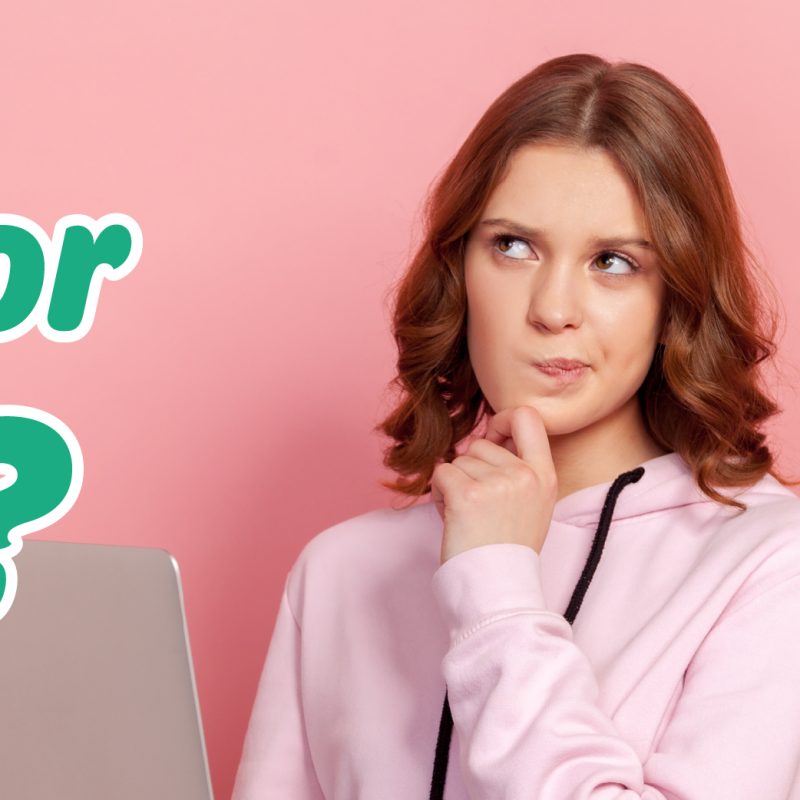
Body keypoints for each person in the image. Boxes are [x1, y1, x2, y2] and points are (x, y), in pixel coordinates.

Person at [231, 53, 800, 799]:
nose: (553, 307)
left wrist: (494, 586)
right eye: (513, 246)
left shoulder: (767, 565)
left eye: (615, 262)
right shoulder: (341, 572)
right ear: (459, 266)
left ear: (678, 301)